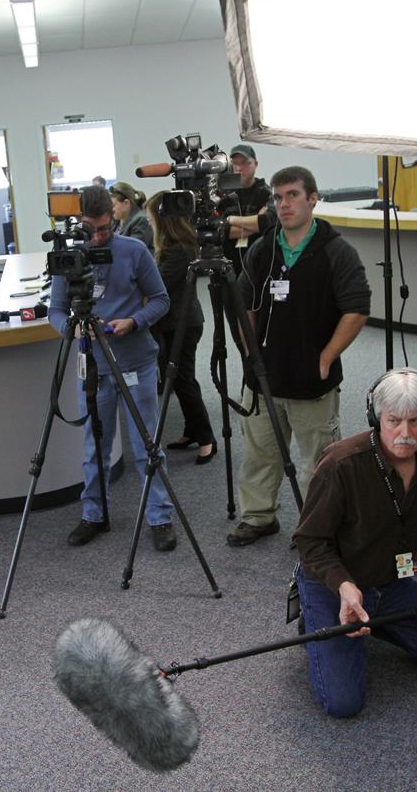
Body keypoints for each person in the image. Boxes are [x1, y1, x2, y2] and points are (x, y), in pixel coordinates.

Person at [293, 368, 417, 716]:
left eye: (416, 422)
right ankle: (317, 616)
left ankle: (375, 621)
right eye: (394, 421)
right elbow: (310, 541)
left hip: (392, 582)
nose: (405, 434)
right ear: (376, 418)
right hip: (336, 585)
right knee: (343, 704)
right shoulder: (340, 463)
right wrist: (344, 586)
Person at [229, 165, 371, 546]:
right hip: (264, 377)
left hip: (312, 378)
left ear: (312, 198)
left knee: (317, 461)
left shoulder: (336, 251)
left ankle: (317, 529)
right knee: (260, 453)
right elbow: (245, 304)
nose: (284, 204)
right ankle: (259, 516)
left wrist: (326, 357)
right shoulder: (264, 249)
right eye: (277, 197)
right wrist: (249, 352)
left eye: (292, 195)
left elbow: (357, 308)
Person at [48, 185, 177, 551]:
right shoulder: (68, 258)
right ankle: (94, 513)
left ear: (113, 219)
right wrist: (71, 329)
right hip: (93, 366)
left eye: (106, 229)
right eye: (93, 230)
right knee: (94, 447)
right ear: (79, 224)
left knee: (146, 445)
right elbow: (55, 311)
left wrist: (133, 321)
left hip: (136, 361)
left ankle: (160, 518)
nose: (100, 237)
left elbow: (162, 300)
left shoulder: (134, 251)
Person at [147, 191, 216, 465]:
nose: (150, 223)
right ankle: (192, 431)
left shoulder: (179, 250)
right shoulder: (173, 246)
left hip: (183, 324)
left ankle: (207, 439)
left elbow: (157, 288)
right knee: (178, 380)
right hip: (175, 323)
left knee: (184, 381)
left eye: (153, 219)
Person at [220, 143, 273, 279]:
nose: (239, 168)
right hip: (227, 267)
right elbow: (220, 231)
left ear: (255, 164)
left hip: (259, 265)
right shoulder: (223, 195)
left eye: (244, 163)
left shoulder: (266, 193)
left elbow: (267, 224)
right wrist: (255, 225)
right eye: (235, 164)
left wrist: (231, 220)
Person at [109, 180, 153, 254]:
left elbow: (132, 250)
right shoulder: (116, 221)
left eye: (113, 205)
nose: (110, 209)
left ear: (126, 203)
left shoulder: (141, 220)